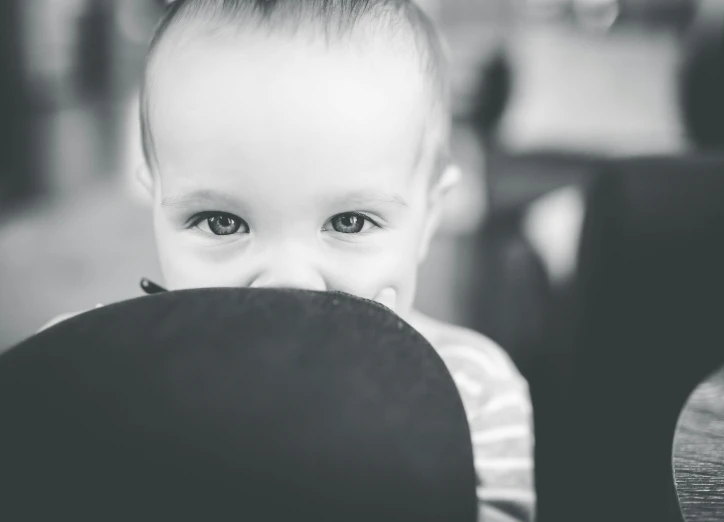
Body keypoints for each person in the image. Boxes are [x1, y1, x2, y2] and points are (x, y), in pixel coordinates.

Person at [41, 1, 534, 519]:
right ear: (156, 203)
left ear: (429, 217)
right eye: (221, 222)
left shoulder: (474, 391)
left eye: (350, 222)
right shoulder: (90, 365)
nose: (288, 282)